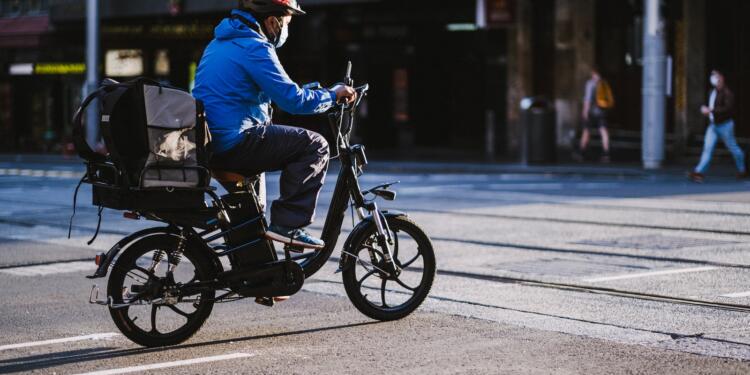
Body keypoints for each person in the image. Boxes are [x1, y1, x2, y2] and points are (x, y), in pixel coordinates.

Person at [192, 0, 357, 248]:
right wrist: (333, 95)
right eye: (287, 23)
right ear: (272, 21)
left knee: (251, 218)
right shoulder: (255, 47)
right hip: (236, 142)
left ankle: (252, 274)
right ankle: (289, 226)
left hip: (213, 145)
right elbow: (293, 101)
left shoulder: (218, 43)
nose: (286, 30)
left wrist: (318, 93)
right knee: (315, 145)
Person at [688, 70, 746, 183]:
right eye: (713, 76)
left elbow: (728, 109)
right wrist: (705, 109)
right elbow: (710, 105)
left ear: (722, 78)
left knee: (733, 148)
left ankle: (742, 170)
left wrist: (711, 110)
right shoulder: (712, 92)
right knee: (707, 149)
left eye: (716, 76)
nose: (714, 79)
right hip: (713, 125)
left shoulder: (727, 93)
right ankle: (698, 172)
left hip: (725, 125)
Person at [574, 66, 613, 163]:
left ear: (593, 73)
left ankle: (581, 152)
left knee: (586, 131)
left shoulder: (590, 83)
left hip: (591, 111)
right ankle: (606, 153)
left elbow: (587, 100)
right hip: (602, 111)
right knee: (603, 131)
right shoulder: (603, 83)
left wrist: (584, 111)